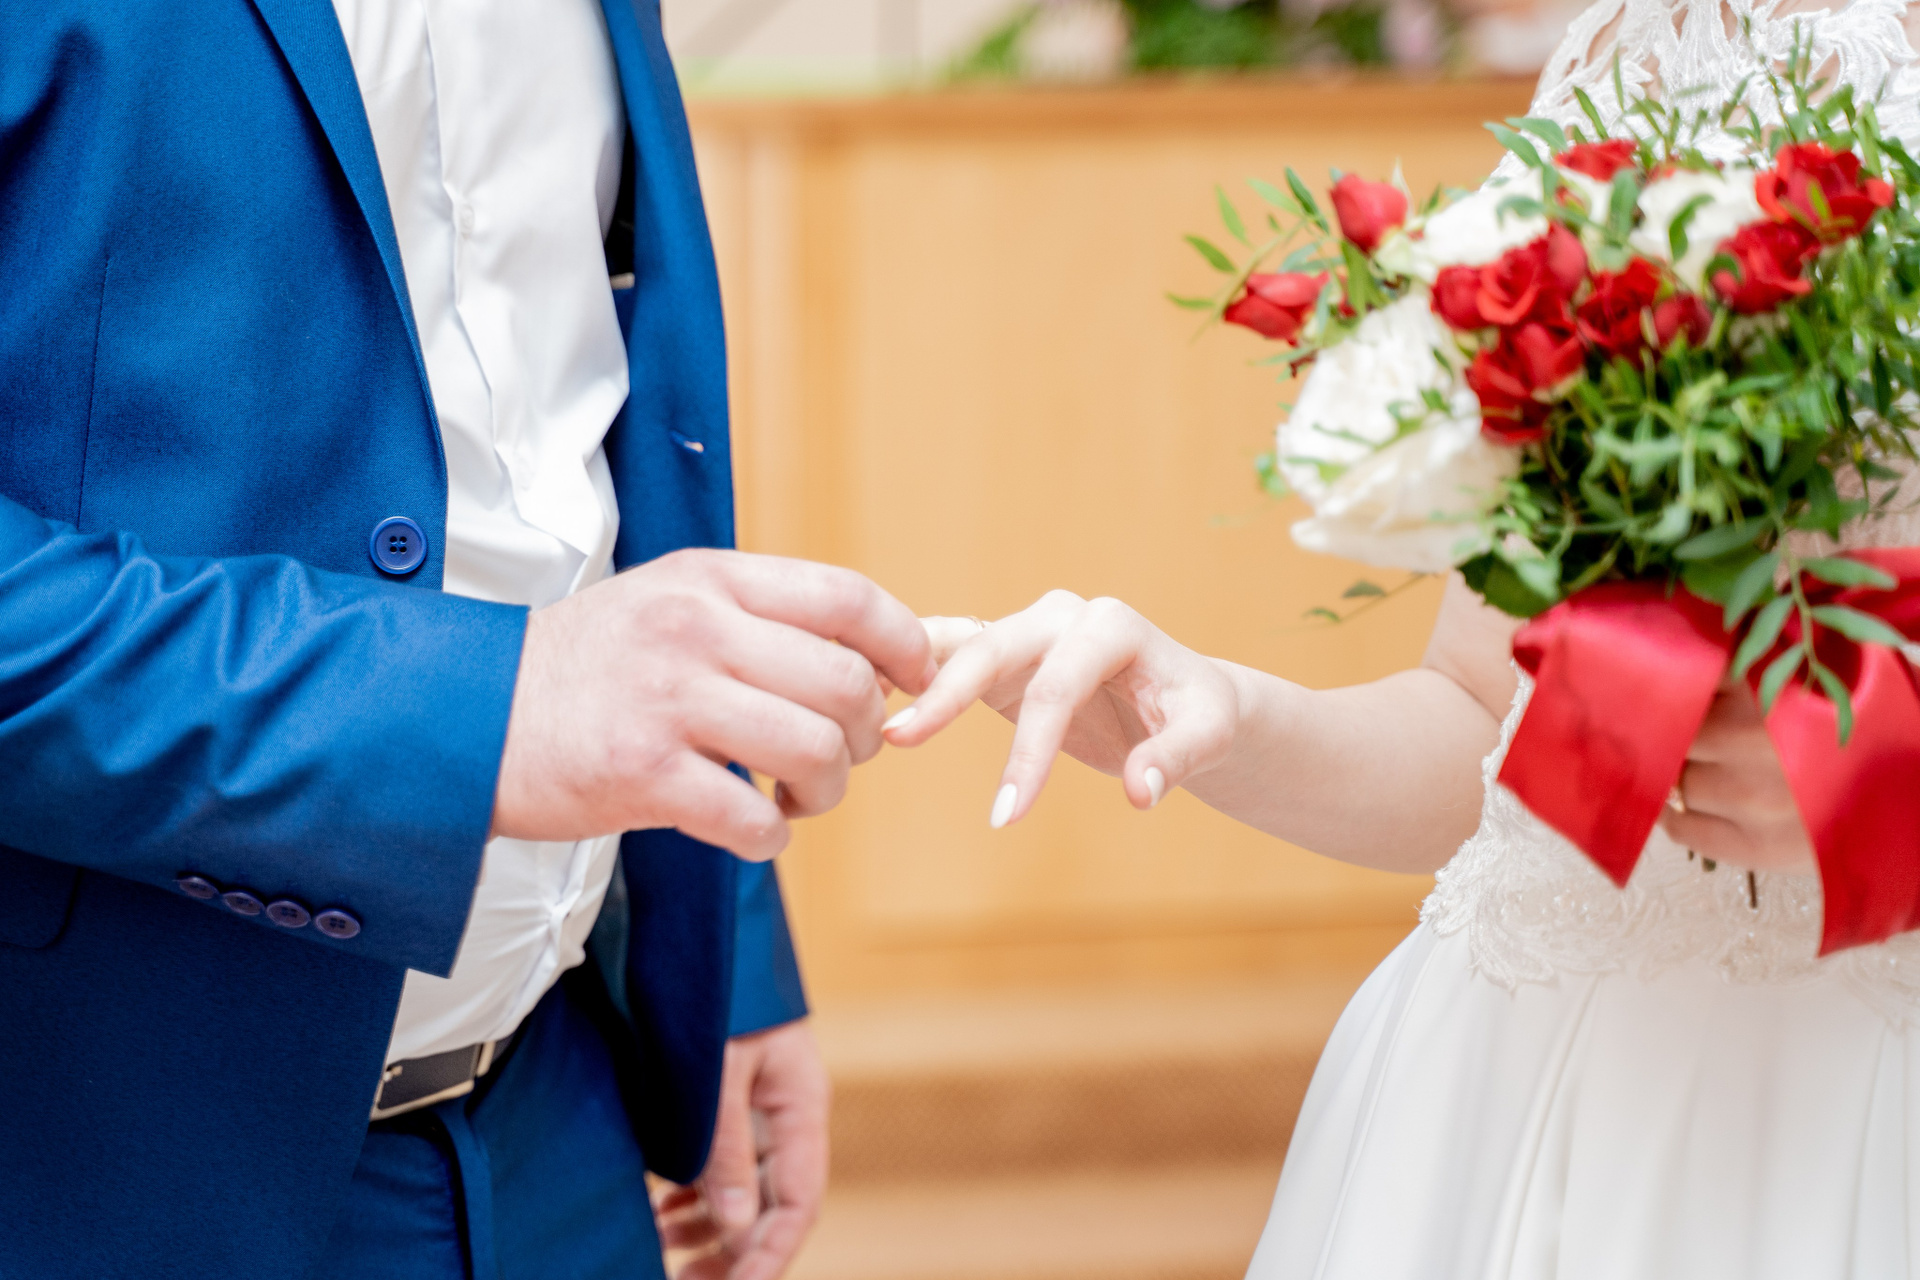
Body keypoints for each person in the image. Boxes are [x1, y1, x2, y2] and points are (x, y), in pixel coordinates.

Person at [887, 2, 1920, 1274]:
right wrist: (1221, 713)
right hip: (1552, 1081)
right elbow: (1491, 720)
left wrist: (1895, 771)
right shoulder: (1647, 44)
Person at [0, 2, 933, 1277]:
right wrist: (483, 707)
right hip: (104, 1149)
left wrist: (724, 932)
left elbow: (560, 413)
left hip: (563, 1114)